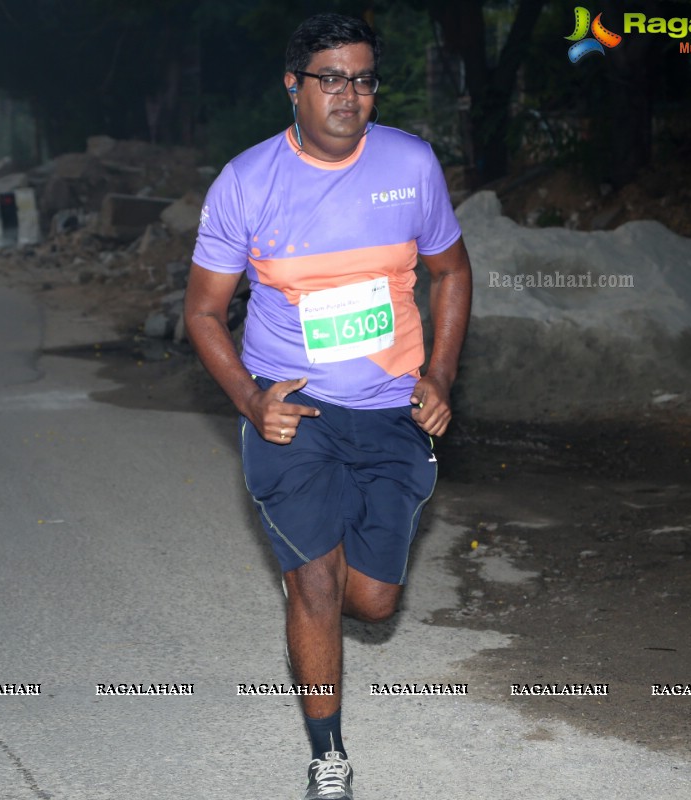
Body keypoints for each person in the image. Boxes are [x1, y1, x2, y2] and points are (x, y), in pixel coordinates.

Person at [184, 13, 472, 800]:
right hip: (294, 411)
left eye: (365, 78)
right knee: (315, 583)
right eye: (332, 78)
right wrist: (250, 400)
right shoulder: (247, 182)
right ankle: (328, 756)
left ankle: (314, 579)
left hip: (390, 411)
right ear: (294, 85)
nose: (351, 94)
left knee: (372, 603)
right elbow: (204, 312)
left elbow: (450, 272)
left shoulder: (411, 166)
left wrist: (440, 376)